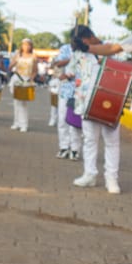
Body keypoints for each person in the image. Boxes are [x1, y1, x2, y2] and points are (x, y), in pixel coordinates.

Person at [69, 25, 127, 194]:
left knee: (112, 142)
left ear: (91, 37)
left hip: (111, 103)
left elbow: (123, 68)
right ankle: (90, 175)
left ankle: (112, 179)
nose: (83, 43)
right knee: (89, 140)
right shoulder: (79, 53)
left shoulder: (113, 50)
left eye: (84, 40)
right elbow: (72, 72)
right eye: (80, 42)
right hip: (86, 102)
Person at [51, 37, 81, 160]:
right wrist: (73, 58)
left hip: (80, 91)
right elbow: (58, 63)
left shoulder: (87, 51)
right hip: (65, 89)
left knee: (74, 121)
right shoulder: (65, 48)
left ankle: (75, 149)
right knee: (62, 119)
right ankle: (64, 147)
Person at [9, 38, 38, 133]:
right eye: (24, 45)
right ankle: (16, 122)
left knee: (23, 103)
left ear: (31, 46)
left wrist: (31, 79)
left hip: (27, 80)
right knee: (16, 102)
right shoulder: (18, 55)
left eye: (28, 45)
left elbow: (35, 71)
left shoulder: (33, 56)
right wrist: (12, 63)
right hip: (17, 79)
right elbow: (10, 67)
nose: (26, 47)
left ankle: (24, 124)